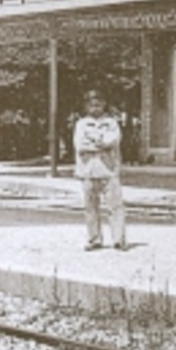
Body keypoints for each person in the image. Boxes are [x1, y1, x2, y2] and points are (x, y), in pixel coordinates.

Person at [73, 89, 127, 250]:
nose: (95, 107)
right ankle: (94, 239)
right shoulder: (81, 124)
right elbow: (80, 146)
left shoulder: (111, 123)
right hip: (88, 170)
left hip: (109, 170)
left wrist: (100, 144)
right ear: (86, 106)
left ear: (104, 104)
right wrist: (101, 145)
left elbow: (113, 141)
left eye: (98, 104)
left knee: (115, 206)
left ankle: (118, 239)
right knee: (90, 207)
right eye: (91, 104)